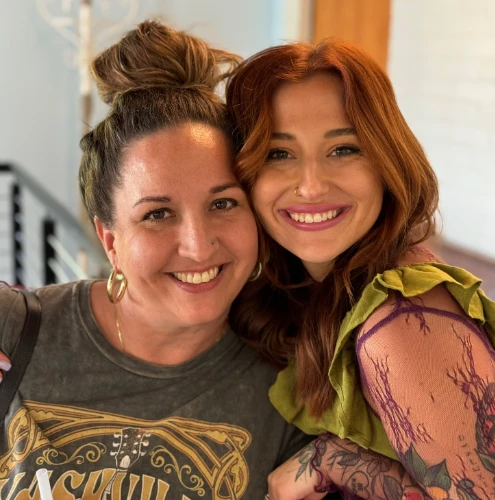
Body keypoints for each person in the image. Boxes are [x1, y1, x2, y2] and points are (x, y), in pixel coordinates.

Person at [0, 21, 314, 500]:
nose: (197, 244)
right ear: (110, 239)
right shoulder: (19, 330)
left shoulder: (289, 384)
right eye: (158, 214)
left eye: (223, 203)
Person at [226, 39, 495, 499]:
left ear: (386, 160)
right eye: (278, 153)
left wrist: (332, 459)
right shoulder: (314, 288)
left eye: (343, 150)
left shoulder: (401, 323)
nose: (311, 186)